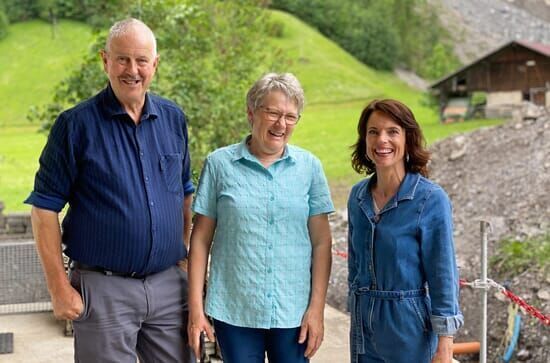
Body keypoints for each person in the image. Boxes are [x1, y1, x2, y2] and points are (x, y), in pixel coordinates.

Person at [25, 18, 195, 362]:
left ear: (155, 65)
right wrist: (58, 287)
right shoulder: (75, 126)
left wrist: (185, 260)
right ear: (105, 60)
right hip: (103, 290)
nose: (132, 70)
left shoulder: (173, 119)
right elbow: (43, 210)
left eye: (141, 60)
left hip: (167, 286)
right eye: (122, 59)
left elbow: (185, 193)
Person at [187, 72, 334, 363]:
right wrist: (196, 309)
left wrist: (316, 309)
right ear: (251, 113)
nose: (281, 124)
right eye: (273, 113)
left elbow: (322, 243)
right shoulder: (219, 165)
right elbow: (201, 238)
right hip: (235, 309)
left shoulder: (310, 168)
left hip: (294, 312)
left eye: (291, 117)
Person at [347, 99, 463, 363]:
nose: (381, 140)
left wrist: (445, 345)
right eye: (373, 132)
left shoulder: (430, 199)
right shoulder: (357, 197)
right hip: (363, 328)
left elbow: (443, 274)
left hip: (409, 329)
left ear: (408, 138)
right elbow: (355, 265)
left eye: (392, 132)